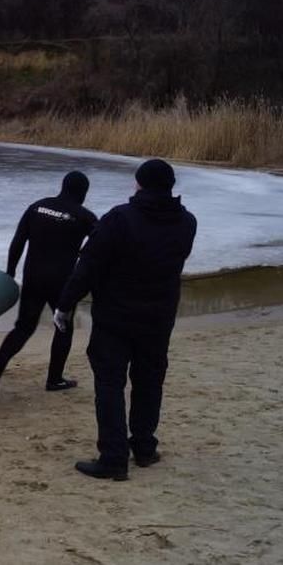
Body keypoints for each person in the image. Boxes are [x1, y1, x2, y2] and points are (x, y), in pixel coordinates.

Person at [55, 159, 196, 480]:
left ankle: (114, 457)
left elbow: (89, 265)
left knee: (110, 384)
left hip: (115, 317)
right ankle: (144, 448)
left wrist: (65, 304)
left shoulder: (120, 219)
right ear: (170, 186)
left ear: (140, 184)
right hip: (159, 317)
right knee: (149, 382)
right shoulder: (187, 222)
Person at [0, 171, 97, 399]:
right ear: (83, 193)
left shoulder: (37, 207)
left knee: (24, 327)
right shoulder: (84, 217)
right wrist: (83, 259)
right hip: (62, 282)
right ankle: (54, 379)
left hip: (33, 277)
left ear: (63, 186)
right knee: (63, 327)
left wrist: (10, 272)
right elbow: (101, 244)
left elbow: (18, 241)